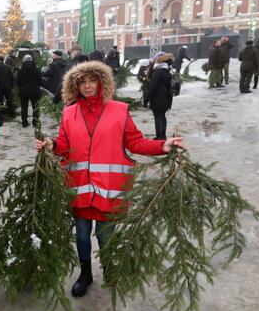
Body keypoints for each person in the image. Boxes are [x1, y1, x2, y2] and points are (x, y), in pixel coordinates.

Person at [35, 61, 184, 298]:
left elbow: (135, 142)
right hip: (79, 188)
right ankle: (85, 274)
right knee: (82, 236)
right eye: (81, 82)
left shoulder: (119, 110)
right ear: (74, 86)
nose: (87, 86)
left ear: (102, 81)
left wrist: (161, 145)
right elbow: (64, 146)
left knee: (106, 236)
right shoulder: (69, 113)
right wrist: (52, 145)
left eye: (91, 80)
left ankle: (111, 269)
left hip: (109, 190)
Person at [148, 53, 174, 140]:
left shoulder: (158, 72)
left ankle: (159, 136)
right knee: (162, 116)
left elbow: (153, 86)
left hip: (158, 98)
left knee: (158, 117)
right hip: (167, 98)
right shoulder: (168, 71)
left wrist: (147, 98)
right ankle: (163, 136)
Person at [16, 54, 42, 128]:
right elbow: (40, 81)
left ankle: (24, 122)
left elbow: (18, 82)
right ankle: (35, 122)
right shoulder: (36, 69)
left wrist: (21, 87)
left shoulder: (20, 70)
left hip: (23, 92)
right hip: (35, 91)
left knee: (24, 107)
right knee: (36, 107)